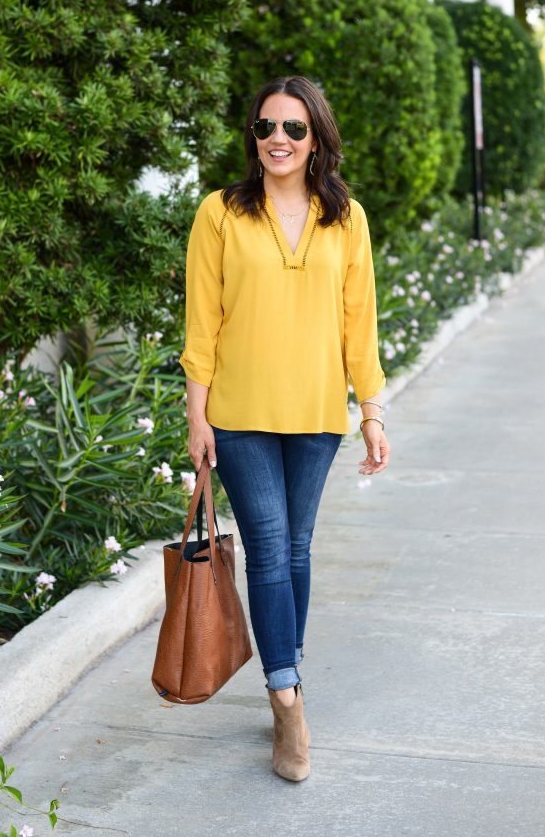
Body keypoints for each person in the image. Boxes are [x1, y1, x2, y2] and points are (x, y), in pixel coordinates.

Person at [179, 75, 390, 782]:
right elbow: (201, 322)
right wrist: (195, 414)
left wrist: (371, 412)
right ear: (253, 136)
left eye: (293, 129)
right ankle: (286, 699)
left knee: (296, 550)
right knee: (269, 550)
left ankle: (284, 671)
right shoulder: (220, 213)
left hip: (316, 414)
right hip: (238, 414)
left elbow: (359, 320)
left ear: (316, 138)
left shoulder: (346, 217)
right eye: (266, 127)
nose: (277, 139)